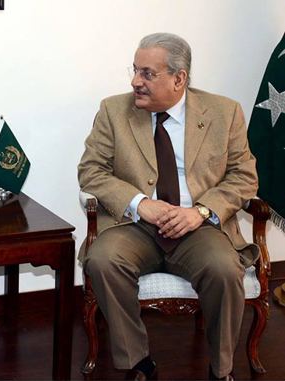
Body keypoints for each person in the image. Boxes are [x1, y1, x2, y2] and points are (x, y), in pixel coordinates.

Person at [78, 33, 259, 381]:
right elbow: (90, 170)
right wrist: (139, 203)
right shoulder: (114, 110)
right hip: (135, 227)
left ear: (179, 78)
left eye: (147, 73)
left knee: (224, 269)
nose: (135, 82)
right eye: (134, 71)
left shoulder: (224, 112)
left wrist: (201, 211)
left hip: (199, 227)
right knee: (102, 260)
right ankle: (137, 362)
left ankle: (221, 370)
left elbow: (244, 176)